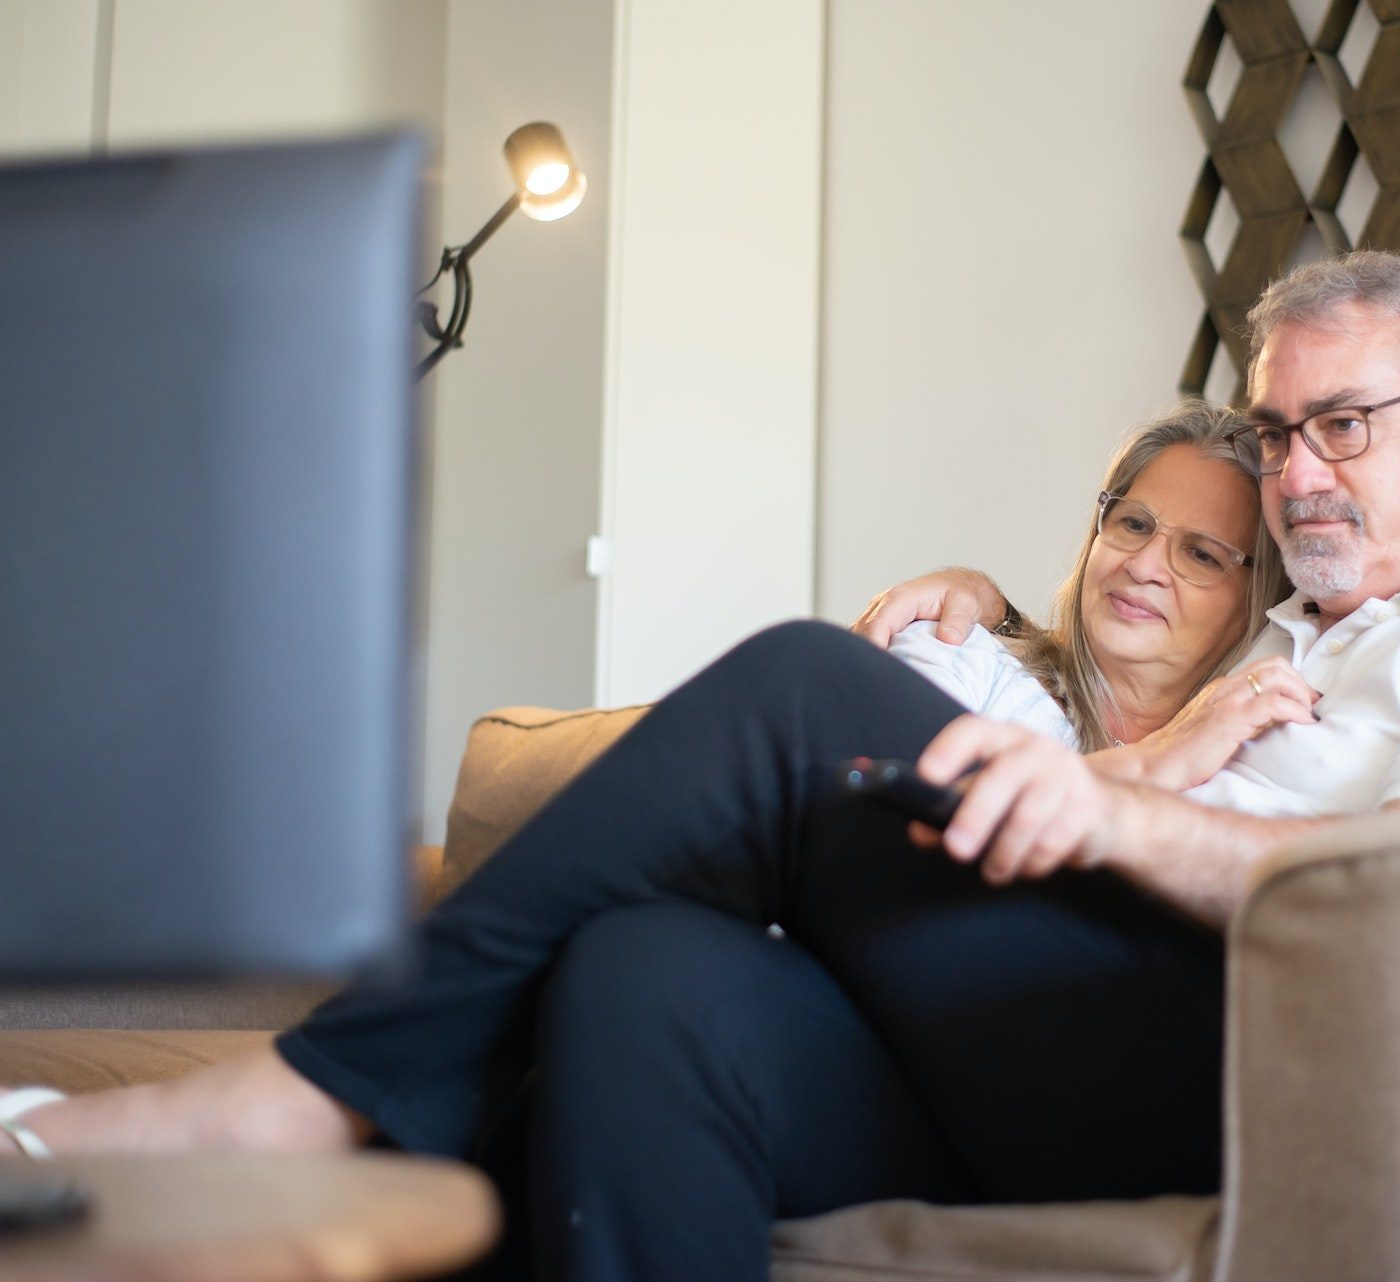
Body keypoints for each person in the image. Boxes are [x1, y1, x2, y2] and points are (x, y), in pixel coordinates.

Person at [1, 403, 1301, 1280]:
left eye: (1204, 553)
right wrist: (1021, 642)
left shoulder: (1277, 717)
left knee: (798, 677)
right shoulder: (976, 661)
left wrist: (1139, 776)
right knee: (644, 961)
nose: (1149, 564)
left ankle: (316, 1091)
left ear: (1257, 595)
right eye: (1131, 523)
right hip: (893, 1052)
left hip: (1079, 1054)